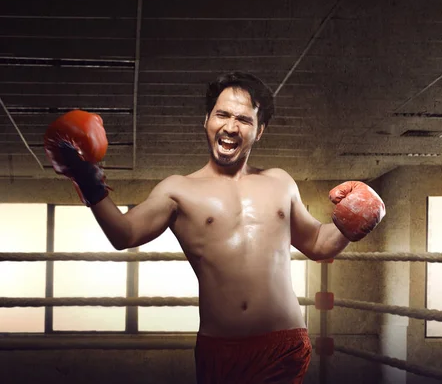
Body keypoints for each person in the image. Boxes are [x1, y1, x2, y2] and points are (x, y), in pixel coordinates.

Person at [44, 71, 386, 384]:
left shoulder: (280, 182)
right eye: (222, 115)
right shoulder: (177, 190)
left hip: (283, 345)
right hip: (220, 351)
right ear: (206, 120)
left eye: (243, 119)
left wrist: (349, 224)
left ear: (259, 129)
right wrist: (88, 182)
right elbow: (125, 234)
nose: (231, 127)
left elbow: (318, 243)